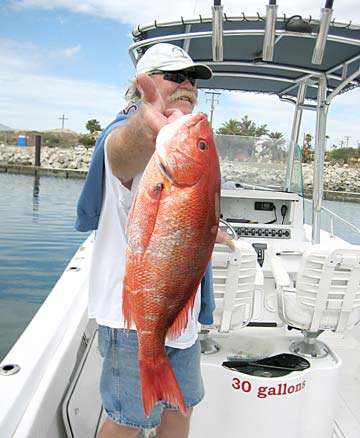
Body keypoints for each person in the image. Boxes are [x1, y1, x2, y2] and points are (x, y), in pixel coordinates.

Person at [76, 43, 214, 438]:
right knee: (129, 421)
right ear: (142, 86)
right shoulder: (126, 138)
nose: (187, 84)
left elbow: (189, 220)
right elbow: (120, 154)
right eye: (174, 76)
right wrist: (145, 124)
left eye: (192, 79)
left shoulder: (181, 148)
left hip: (178, 317)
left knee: (180, 409)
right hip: (133, 320)